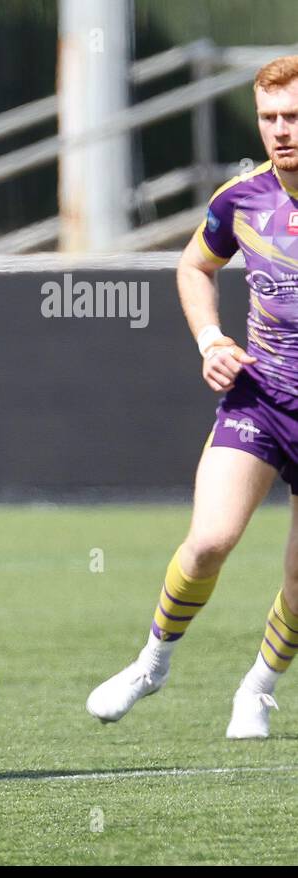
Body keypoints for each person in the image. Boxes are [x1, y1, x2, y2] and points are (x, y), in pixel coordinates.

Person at [87, 55, 298, 739]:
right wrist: (210, 339)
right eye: (270, 118)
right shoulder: (241, 199)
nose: (280, 131)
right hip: (259, 397)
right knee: (208, 540)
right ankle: (152, 661)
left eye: (293, 117)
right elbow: (193, 266)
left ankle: (258, 688)